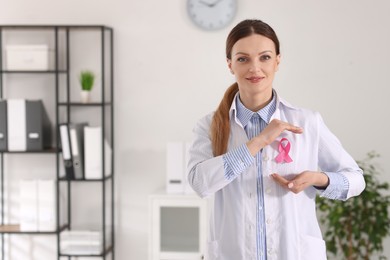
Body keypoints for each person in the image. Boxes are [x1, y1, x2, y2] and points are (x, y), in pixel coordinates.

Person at [187, 19, 365, 260]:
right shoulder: (209, 126)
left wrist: (317, 178)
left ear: (278, 61)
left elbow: (356, 180)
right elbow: (199, 183)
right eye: (243, 59)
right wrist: (257, 142)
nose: (254, 68)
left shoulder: (307, 122)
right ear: (230, 64)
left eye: (265, 57)